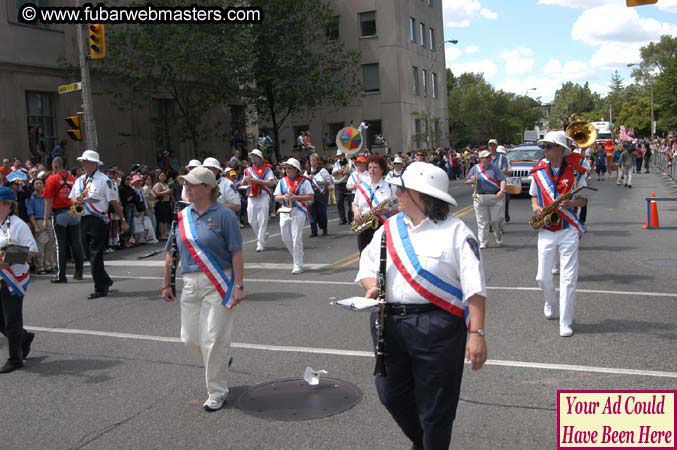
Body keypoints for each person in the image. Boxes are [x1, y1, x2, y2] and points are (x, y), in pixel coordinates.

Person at [355, 162, 487, 450]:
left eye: (402, 188)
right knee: (390, 394)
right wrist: (370, 287)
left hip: (437, 326)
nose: (396, 192)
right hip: (388, 324)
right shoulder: (388, 229)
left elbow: (474, 289)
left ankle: (431, 443)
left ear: (420, 194)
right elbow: (366, 266)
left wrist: (476, 334)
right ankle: (425, 442)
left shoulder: (456, 232)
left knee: (436, 404)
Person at [161, 166, 245, 412]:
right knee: (189, 339)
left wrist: (239, 286)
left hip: (219, 282)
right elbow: (170, 254)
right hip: (190, 284)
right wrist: (166, 283)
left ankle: (217, 391)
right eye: (184, 183)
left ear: (207, 188)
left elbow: (236, 253)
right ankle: (219, 361)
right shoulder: (181, 217)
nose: (186, 187)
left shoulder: (224, 215)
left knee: (213, 338)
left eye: (191, 183)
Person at [530, 131, 588, 337]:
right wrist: (536, 207)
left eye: (548, 146)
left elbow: (583, 199)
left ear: (560, 149)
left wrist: (571, 203)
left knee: (569, 278)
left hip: (568, 229)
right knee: (542, 277)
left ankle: (566, 321)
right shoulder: (538, 172)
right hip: (546, 229)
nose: (544, 150)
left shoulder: (575, 171)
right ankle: (550, 301)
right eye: (543, 147)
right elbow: (534, 197)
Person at [69, 150, 128, 299]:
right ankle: (105, 280)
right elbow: (72, 198)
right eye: (83, 161)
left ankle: (100, 287)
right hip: (83, 218)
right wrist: (75, 202)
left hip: (99, 220)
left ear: (94, 163)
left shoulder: (104, 180)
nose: (84, 163)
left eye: (87, 161)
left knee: (95, 254)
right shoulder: (79, 180)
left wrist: (122, 219)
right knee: (88, 254)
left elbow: (113, 201)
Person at [0, 187, 39, 373]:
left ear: (8, 205)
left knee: (11, 319)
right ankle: (23, 338)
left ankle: (15, 359)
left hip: (12, 278)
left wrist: (8, 260)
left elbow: (32, 251)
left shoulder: (18, 225)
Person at [42, 157, 84, 283]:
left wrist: (45, 219)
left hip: (60, 212)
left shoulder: (52, 179)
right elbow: (79, 197)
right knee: (76, 243)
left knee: (61, 245)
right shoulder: (74, 179)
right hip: (74, 210)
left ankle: (62, 275)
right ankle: (79, 272)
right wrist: (79, 214)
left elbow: (48, 201)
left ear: (55, 166)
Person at [274, 158, 314, 274]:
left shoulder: (304, 181)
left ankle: (298, 264)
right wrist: (284, 197)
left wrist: (295, 197)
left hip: (299, 210)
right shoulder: (282, 181)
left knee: (296, 238)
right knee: (285, 237)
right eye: (286, 168)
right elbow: (276, 197)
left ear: (296, 170)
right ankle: (298, 256)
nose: (287, 170)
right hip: (285, 210)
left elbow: (310, 196)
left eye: (290, 168)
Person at [351, 154, 397, 252]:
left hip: (383, 226)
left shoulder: (389, 187)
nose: (371, 170)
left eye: (375, 167)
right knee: (363, 255)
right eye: (370, 167)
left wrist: (387, 210)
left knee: (382, 255)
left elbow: (400, 207)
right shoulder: (361, 187)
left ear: (382, 170)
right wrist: (356, 212)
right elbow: (355, 204)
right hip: (364, 224)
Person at [466, 150, 507, 249]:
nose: (488, 159)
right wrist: (472, 179)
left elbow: (502, 180)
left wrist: (501, 191)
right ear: (481, 159)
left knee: (495, 221)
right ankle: (483, 242)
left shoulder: (495, 168)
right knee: (482, 222)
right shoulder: (475, 169)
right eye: (486, 157)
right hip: (480, 197)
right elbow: (467, 180)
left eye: (489, 157)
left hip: (494, 197)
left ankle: (498, 235)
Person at [241, 149, 276, 252]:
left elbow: (272, 183)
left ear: (260, 158)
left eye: (255, 156)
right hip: (251, 196)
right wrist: (244, 181)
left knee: (263, 219)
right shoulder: (247, 170)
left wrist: (256, 181)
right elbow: (242, 184)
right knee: (252, 221)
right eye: (252, 156)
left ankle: (260, 243)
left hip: (263, 196)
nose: (253, 158)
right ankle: (263, 235)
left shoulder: (267, 170)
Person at [26, 178, 55, 274]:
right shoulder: (31, 198)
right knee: (40, 245)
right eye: (36, 183)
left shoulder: (46, 197)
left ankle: (48, 265)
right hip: (38, 221)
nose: (39, 185)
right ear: (33, 186)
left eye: (41, 183)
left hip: (48, 221)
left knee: (50, 244)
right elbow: (30, 213)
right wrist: (35, 226)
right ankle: (40, 266)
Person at [304, 153, 332, 237]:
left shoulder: (322, 170)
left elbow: (329, 182)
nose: (312, 162)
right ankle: (314, 231)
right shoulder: (307, 172)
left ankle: (324, 228)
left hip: (321, 194)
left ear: (318, 161)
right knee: (311, 212)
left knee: (321, 212)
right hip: (311, 194)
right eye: (311, 160)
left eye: (314, 160)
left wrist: (320, 183)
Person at [488, 139, 511, 223]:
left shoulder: (502, 158)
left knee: (503, 203)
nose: (492, 147)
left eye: (493, 145)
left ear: (496, 146)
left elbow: (505, 169)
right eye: (490, 145)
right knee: (490, 204)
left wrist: (495, 173)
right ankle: (491, 222)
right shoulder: (486, 157)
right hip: (489, 184)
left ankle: (502, 218)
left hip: (500, 183)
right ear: (488, 147)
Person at [332, 150, 353, 225]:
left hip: (348, 183)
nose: (339, 157)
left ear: (344, 155)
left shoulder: (350, 162)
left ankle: (350, 219)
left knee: (351, 203)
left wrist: (348, 172)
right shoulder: (336, 163)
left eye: (341, 155)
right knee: (339, 202)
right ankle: (342, 219)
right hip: (339, 184)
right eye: (338, 156)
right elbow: (333, 173)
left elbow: (354, 171)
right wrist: (339, 171)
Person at [153, 171, 173, 240]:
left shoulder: (165, 184)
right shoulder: (158, 184)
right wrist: (166, 192)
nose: (163, 177)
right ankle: (162, 234)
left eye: (164, 175)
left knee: (165, 219)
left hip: (166, 202)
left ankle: (165, 233)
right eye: (161, 176)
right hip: (161, 203)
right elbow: (157, 193)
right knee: (161, 219)